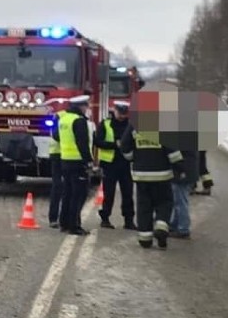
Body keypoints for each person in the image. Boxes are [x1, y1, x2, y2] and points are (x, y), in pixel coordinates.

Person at [120, 126, 185, 249]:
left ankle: (145, 239)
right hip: (162, 175)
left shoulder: (134, 126)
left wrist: (134, 158)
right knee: (164, 202)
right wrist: (180, 167)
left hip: (141, 175)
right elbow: (173, 151)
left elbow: (124, 146)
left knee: (144, 206)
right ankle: (161, 227)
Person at [54, 94, 94, 236]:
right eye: (86, 106)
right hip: (78, 162)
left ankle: (63, 223)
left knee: (67, 193)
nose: (87, 109)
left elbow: (56, 136)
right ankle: (74, 225)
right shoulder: (79, 121)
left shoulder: (63, 119)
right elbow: (82, 143)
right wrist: (89, 161)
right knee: (78, 195)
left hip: (65, 160)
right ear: (81, 107)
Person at [93, 101, 136, 230]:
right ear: (115, 111)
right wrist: (115, 145)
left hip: (125, 163)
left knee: (127, 193)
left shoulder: (130, 124)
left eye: (124, 114)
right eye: (120, 113)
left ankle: (129, 221)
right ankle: (105, 218)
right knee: (109, 193)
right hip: (109, 164)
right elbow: (98, 142)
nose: (122, 116)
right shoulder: (105, 124)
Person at [169, 148, 198, 239]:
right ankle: (175, 224)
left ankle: (183, 229)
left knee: (180, 201)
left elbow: (176, 155)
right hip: (187, 170)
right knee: (179, 200)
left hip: (182, 172)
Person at [47, 111, 65, 228]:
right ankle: (60, 219)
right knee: (61, 187)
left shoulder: (59, 115)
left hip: (58, 155)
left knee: (58, 186)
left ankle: (55, 218)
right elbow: (56, 135)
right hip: (62, 155)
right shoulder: (63, 117)